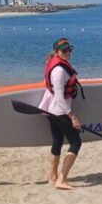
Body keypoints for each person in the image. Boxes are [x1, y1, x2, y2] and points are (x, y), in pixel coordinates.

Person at [38, 38, 83, 190]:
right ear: (57, 52)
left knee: (57, 142)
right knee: (76, 142)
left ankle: (52, 176)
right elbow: (59, 97)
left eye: (69, 49)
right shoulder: (59, 71)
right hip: (60, 112)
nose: (68, 52)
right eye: (64, 50)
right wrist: (73, 117)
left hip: (52, 111)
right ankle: (62, 179)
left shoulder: (55, 64)